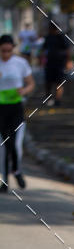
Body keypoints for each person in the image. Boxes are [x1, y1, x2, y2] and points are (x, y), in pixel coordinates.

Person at [0, 34, 34, 191]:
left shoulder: (20, 63)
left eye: (9, 50)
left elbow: (31, 83)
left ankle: (17, 170)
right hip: (1, 109)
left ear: (13, 49)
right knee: (4, 146)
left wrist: (24, 91)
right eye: (3, 51)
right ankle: (5, 181)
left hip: (16, 109)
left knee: (15, 144)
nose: (6, 54)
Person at [41, 22, 70, 107]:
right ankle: (48, 98)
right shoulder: (48, 37)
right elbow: (44, 49)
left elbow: (67, 50)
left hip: (60, 63)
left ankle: (57, 100)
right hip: (49, 63)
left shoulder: (61, 37)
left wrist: (68, 62)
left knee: (59, 82)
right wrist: (42, 60)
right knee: (48, 82)